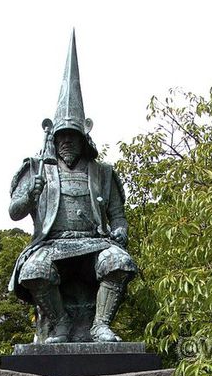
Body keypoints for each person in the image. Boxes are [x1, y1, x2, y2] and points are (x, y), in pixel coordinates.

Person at [8, 32, 137, 343]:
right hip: (52, 245)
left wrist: (120, 232)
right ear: (54, 139)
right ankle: (61, 323)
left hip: (93, 243)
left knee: (119, 261)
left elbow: (118, 217)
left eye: (72, 136)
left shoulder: (103, 173)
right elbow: (14, 212)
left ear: (83, 139)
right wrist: (31, 193)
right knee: (33, 270)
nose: (66, 142)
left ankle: (100, 325)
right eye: (61, 136)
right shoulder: (37, 168)